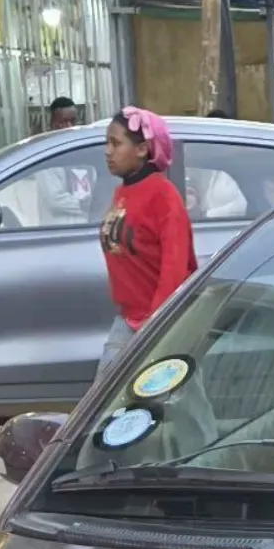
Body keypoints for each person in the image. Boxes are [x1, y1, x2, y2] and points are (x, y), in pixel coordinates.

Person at [97, 107, 195, 372]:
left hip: (162, 323)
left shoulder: (163, 196)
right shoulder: (123, 191)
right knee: (112, 397)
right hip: (130, 319)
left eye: (116, 143)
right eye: (107, 143)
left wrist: (155, 327)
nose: (108, 151)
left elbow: (174, 270)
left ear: (142, 149)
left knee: (173, 396)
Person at [36, 97, 94, 226]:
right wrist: (85, 205)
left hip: (89, 230)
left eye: (72, 121)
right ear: (52, 123)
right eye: (62, 122)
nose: (69, 127)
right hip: (59, 234)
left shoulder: (84, 150)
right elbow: (54, 200)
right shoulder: (46, 155)